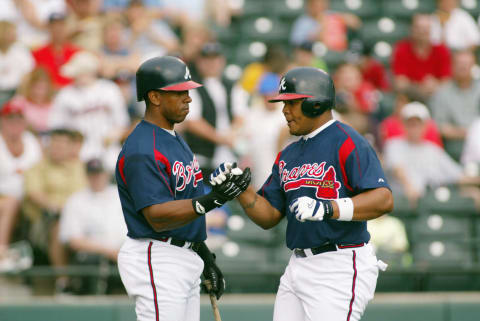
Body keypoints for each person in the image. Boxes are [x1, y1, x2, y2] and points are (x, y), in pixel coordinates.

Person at [212, 67, 393, 321]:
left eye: (291, 103)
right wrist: (241, 190)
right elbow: (270, 216)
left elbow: (383, 199)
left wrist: (328, 208)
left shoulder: (347, 141)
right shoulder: (289, 153)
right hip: (298, 264)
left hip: (339, 263)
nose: (284, 110)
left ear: (315, 104)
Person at [115, 56, 243, 321]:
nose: (188, 99)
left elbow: (186, 199)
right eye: (179, 92)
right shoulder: (142, 148)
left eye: (187, 91)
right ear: (154, 97)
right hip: (157, 254)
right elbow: (157, 216)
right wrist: (212, 201)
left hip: (182, 254)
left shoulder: (174, 138)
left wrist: (203, 253)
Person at [383, 101, 480, 207]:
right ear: (403, 125)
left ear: (425, 126)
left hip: (432, 200)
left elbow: (457, 176)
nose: (414, 128)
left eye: (417, 124)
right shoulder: (394, 144)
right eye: (410, 124)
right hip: (403, 202)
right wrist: (409, 187)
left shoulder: (433, 150)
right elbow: (398, 169)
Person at [23, 128, 87, 276]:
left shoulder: (81, 167)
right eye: (54, 144)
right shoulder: (37, 168)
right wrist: (61, 208)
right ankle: (63, 280)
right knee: (60, 226)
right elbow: (34, 194)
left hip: (81, 216)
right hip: (46, 220)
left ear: (71, 147)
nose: (57, 149)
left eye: (62, 145)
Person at [48, 50, 129, 162]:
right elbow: (56, 126)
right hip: (75, 153)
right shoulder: (64, 95)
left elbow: (122, 123)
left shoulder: (110, 89)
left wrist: (112, 136)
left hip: (108, 150)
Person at [183, 42, 249, 179]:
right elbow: (192, 122)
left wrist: (233, 134)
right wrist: (221, 138)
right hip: (202, 160)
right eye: (206, 59)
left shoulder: (232, 86)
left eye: (215, 58)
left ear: (222, 61)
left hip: (230, 159)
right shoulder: (191, 87)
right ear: (199, 62)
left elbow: (240, 115)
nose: (211, 63)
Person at [59, 158, 126, 263]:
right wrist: (109, 252)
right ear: (86, 176)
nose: (96, 178)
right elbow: (73, 240)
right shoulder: (76, 200)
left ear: (107, 174)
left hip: (127, 251)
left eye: (99, 174)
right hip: (95, 256)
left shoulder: (121, 194)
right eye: (92, 175)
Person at [0, 100, 42, 267]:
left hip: (28, 196)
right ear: (2, 121)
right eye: (10, 119)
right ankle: (2, 250)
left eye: (18, 119)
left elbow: (39, 170)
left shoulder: (31, 141)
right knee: (10, 203)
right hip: (4, 198)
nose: (14, 124)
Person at [391, 14, 451, 102]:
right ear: (412, 29)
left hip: (436, 98)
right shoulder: (401, 49)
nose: (422, 31)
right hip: (408, 99)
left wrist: (435, 85)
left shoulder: (441, 50)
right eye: (419, 27)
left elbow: (447, 83)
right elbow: (399, 83)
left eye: (426, 28)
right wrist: (420, 87)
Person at [429, 50, 480, 143]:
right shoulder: (442, 92)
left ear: (473, 66)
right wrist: (467, 133)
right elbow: (441, 127)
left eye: (466, 64)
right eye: (459, 64)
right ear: (452, 66)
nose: (463, 67)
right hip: (455, 143)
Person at [290, 0, 361, 52]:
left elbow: (355, 22)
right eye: (316, 4)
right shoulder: (302, 22)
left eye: (322, 4)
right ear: (309, 6)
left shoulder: (330, 15)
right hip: (313, 54)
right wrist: (321, 27)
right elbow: (297, 43)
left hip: (337, 50)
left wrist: (346, 19)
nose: (320, 7)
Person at [32, 12, 80, 89]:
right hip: (48, 95)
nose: (58, 29)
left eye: (61, 25)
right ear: (48, 28)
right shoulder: (38, 53)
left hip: (72, 94)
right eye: (54, 26)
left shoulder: (76, 52)